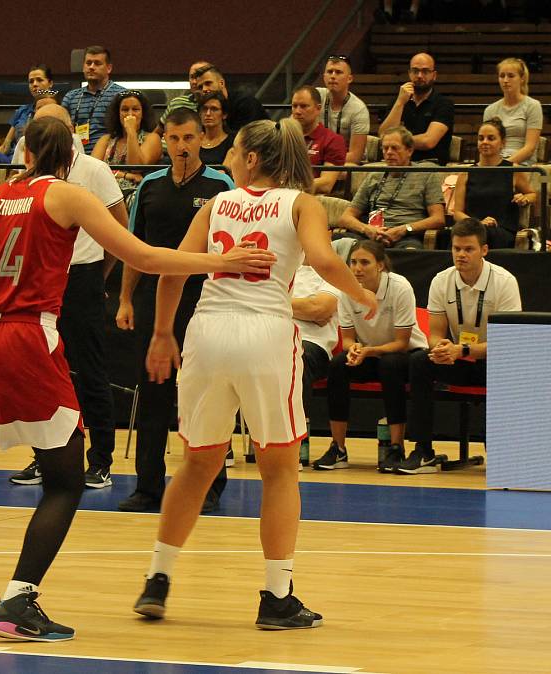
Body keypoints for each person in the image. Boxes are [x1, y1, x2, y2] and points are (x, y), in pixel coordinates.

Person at [0, 115, 275, 641]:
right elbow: (141, 255)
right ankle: (18, 601)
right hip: (26, 335)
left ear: (23, 154)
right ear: (71, 156)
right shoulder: (66, 195)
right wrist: (222, 260)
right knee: (66, 480)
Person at [132, 117, 377, 629]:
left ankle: (158, 577)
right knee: (280, 470)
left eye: (234, 148)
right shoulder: (300, 202)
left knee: (198, 463)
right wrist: (363, 295)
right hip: (265, 332)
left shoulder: (217, 203)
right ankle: (277, 595)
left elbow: (175, 268)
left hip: (207, 331)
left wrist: (161, 333)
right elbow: (326, 262)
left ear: (251, 160)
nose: (226, 153)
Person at [116, 107, 234, 514]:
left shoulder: (221, 184)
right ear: (164, 139)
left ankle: (210, 486)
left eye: (188, 138)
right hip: (154, 300)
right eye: (174, 138)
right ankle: (148, 487)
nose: (181, 145)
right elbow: (135, 248)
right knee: (153, 393)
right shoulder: (149, 185)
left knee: (207, 396)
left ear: (202, 137)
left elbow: (227, 251)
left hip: (205, 302)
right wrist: (126, 299)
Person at [6, 104, 128, 490]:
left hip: (82, 278)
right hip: (39, 280)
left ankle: (101, 460)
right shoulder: (25, 175)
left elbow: (120, 228)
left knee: (91, 370)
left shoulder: (93, 169)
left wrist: (99, 274)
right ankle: (44, 456)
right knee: (41, 371)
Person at [402, 217, 521, 474]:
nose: (461, 255)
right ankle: (423, 451)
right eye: (457, 249)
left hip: (493, 361)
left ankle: (501, 452)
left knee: (509, 366)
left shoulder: (504, 282)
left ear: (484, 251)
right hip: (456, 359)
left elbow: (509, 342)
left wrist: (464, 350)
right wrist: (441, 348)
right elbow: (434, 333)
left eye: (469, 249)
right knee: (420, 361)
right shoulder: (441, 280)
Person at [312, 240, 427, 472]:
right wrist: (354, 349)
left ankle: (396, 448)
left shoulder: (399, 287)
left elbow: (402, 342)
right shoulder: (346, 290)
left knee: (390, 364)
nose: (357, 268)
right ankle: (338, 448)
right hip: (368, 354)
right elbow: (348, 339)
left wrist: (370, 351)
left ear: (381, 265)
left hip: (405, 354)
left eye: (364, 262)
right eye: (353, 262)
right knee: (337, 365)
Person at [338, 126, 445, 249]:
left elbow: (438, 219)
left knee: (410, 252)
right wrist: (366, 229)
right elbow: (345, 218)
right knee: (341, 243)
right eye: (385, 148)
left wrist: (404, 229)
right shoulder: (374, 176)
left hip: (407, 236)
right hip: (372, 235)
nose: (388, 152)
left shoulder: (425, 174)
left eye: (394, 148)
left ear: (409, 151)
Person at [453, 118, 536, 249]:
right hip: (472, 229)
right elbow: (457, 212)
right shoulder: (466, 173)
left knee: (486, 235)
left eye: (491, 138)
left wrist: (524, 198)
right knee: (450, 236)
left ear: (502, 143)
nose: (484, 142)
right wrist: (477, 224)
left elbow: (532, 194)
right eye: (481, 138)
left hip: (502, 230)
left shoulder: (513, 169)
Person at [291, 263, 341, 468]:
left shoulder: (330, 272)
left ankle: (294, 447)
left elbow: (320, 309)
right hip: (272, 336)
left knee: (295, 357)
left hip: (314, 345)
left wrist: (271, 303)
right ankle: (223, 444)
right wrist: (305, 309)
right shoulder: (281, 267)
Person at [379, 53, 454, 165]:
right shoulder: (398, 101)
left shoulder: (443, 104)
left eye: (425, 71)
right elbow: (384, 135)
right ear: (409, 74)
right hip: (398, 164)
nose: (419, 75)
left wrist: (397, 142)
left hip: (430, 164)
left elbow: (428, 141)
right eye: (415, 71)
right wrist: (400, 103)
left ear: (434, 75)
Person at [92, 90, 162, 196]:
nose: (130, 114)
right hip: (104, 191)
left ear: (143, 113)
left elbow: (135, 167)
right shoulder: (105, 140)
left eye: (135, 109)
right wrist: (126, 175)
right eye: (125, 110)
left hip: (134, 193)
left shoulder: (152, 138)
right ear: (117, 114)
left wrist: (131, 132)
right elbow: (93, 170)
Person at [62, 46, 126, 154]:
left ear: (109, 68)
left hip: (108, 157)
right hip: (74, 156)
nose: (91, 67)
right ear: (83, 67)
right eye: (88, 63)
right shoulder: (71, 97)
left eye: (97, 63)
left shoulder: (121, 95)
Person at [0, 65, 54, 164]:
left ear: (50, 83)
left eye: (39, 80)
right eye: (31, 81)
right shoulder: (22, 111)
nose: (35, 84)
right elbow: (5, 147)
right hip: (13, 159)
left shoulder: (56, 111)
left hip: (39, 159)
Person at [483, 58, 542, 166]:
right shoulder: (490, 110)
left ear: (522, 78)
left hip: (521, 163)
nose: (505, 80)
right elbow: (485, 144)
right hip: (495, 162)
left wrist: (504, 165)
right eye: (502, 76)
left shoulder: (533, 106)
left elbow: (530, 148)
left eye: (511, 76)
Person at [290, 86, 346, 194]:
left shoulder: (333, 140)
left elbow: (326, 184)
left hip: (312, 199)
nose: (297, 111)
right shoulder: (283, 137)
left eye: (303, 106)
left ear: (318, 109)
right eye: (294, 106)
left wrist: (288, 187)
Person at [316, 56, 370, 165]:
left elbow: (355, 156)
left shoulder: (359, 109)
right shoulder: (315, 96)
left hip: (344, 163)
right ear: (324, 77)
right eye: (330, 72)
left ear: (349, 79)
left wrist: (317, 157)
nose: (333, 76)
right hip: (317, 157)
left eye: (338, 72)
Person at [194, 64, 268, 133]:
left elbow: (247, 139)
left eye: (208, 83)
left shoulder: (246, 103)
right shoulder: (202, 110)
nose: (204, 89)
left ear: (222, 83)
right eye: (200, 87)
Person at [154, 60, 211, 134]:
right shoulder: (177, 102)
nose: (194, 82)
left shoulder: (217, 105)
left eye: (198, 77)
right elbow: (156, 133)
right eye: (192, 77)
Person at [197, 92, 234, 166]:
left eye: (214, 109)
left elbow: (225, 173)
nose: (208, 113)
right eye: (204, 109)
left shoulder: (233, 141)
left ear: (224, 114)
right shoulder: (193, 140)